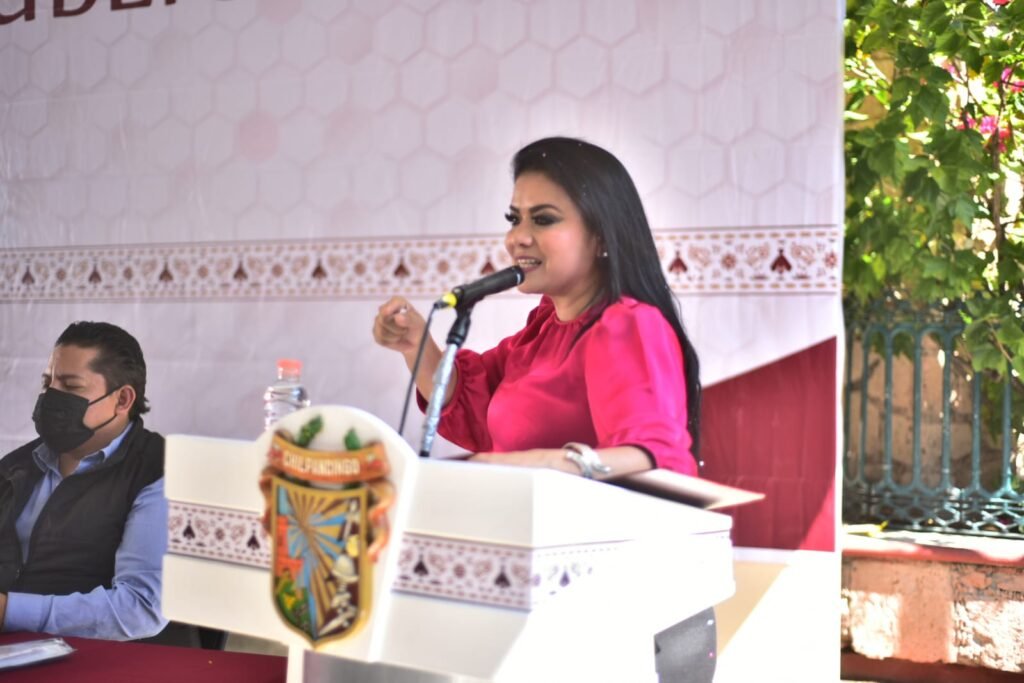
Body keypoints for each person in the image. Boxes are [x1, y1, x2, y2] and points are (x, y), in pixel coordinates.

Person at [373, 136, 711, 681]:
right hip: (537, 595)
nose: (517, 238)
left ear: (601, 236)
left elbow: (657, 460)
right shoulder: (543, 330)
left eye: (544, 219)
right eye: (514, 219)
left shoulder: (626, 324)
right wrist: (416, 343)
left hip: (615, 611)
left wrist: (553, 463)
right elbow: (472, 406)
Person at [0, 321, 167, 641]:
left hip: (105, 658)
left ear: (122, 400)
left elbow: (141, 608)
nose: (50, 397)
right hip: (14, 651)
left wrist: (9, 612)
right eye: (47, 382)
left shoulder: (158, 471)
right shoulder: (17, 466)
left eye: (71, 386)